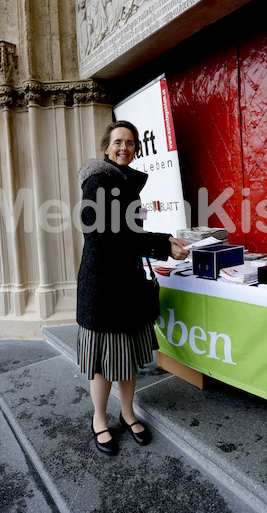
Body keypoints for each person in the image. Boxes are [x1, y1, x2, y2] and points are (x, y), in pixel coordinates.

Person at [76, 120, 189, 455]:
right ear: (106, 148)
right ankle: (99, 419)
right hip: (103, 287)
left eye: (130, 143)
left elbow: (127, 233)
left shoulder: (123, 181)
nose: (124, 148)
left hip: (125, 283)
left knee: (126, 359)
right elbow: (107, 236)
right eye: (117, 143)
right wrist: (162, 243)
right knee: (103, 362)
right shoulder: (99, 180)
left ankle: (127, 414)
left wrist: (160, 241)